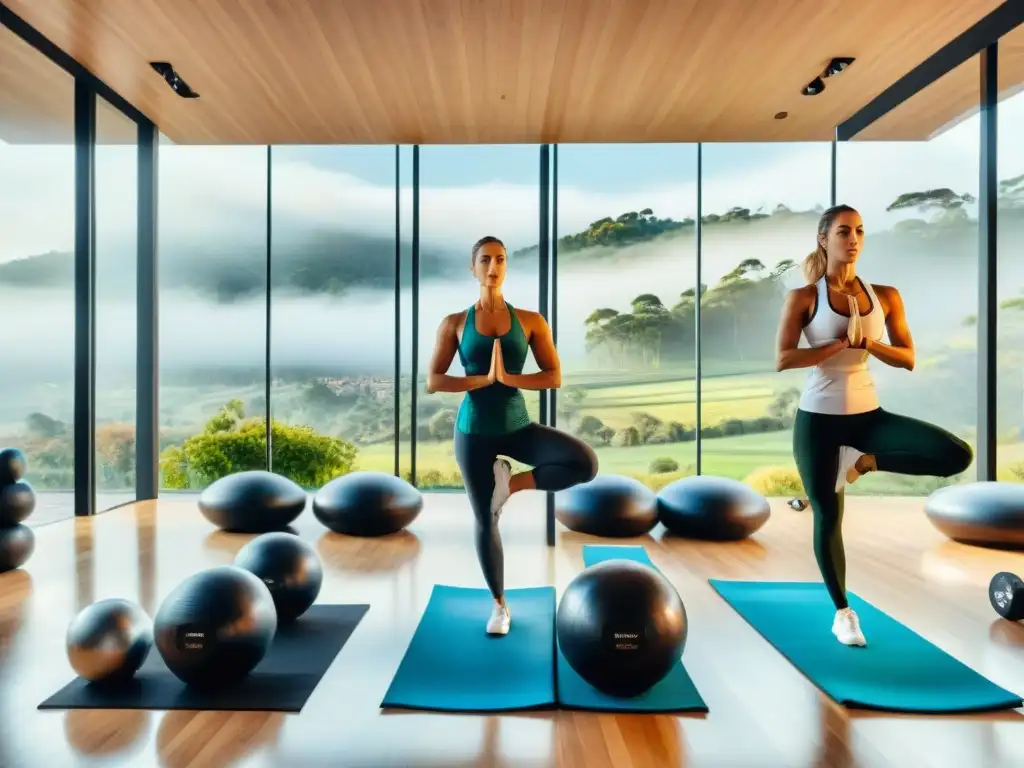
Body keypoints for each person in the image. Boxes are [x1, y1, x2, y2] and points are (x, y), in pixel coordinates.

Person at [775, 204, 973, 648]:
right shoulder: (805, 297)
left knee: (955, 454)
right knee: (828, 517)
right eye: (844, 231)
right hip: (819, 421)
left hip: (868, 417)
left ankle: (863, 462)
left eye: (860, 231)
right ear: (824, 239)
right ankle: (843, 613)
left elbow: (907, 357)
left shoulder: (885, 295)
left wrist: (868, 343)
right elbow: (783, 358)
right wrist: (833, 347)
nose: (854, 239)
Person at [426, 235, 599, 636]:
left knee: (584, 463)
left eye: (500, 259)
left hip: (518, 426)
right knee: (485, 520)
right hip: (474, 432)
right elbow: (434, 380)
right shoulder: (454, 323)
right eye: (485, 260)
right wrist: (482, 380)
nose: (493, 267)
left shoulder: (531, 321)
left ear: (506, 267)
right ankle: (500, 606)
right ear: (473, 268)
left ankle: (511, 484)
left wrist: (508, 378)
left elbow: (553, 376)